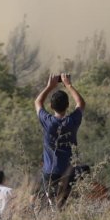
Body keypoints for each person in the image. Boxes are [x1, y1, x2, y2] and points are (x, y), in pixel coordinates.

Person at [34, 73, 85, 207]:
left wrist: (50, 86)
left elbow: (38, 102)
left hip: (49, 172)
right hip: (69, 171)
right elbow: (80, 103)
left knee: (53, 206)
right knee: (65, 205)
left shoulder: (48, 122)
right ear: (68, 105)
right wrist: (68, 85)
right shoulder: (72, 121)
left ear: (51, 106)